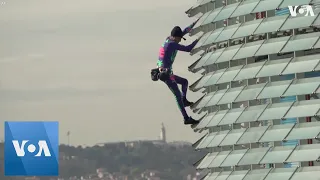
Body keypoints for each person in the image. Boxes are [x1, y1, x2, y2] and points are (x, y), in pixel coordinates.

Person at [156, 19, 202, 125]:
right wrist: (200, 38)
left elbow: (184, 30)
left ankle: (184, 100)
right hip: (166, 75)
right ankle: (186, 118)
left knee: (184, 82)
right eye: (180, 38)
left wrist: (196, 22)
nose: (180, 40)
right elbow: (188, 48)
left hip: (167, 73)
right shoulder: (172, 44)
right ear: (176, 37)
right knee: (177, 95)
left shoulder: (169, 39)